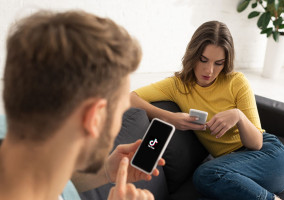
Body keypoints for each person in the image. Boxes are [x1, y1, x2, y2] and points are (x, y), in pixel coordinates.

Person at [0, 10, 165, 200]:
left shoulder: (11, 134)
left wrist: (104, 172)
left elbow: (49, 176)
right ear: (94, 118)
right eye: (121, 111)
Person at [130, 21, 284, 200]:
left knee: (205, 175)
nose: (209, 70)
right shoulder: (177, 85)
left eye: (219, 63)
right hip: (233, 172)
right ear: (193, 55)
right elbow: (130, 98)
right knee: (209, 181)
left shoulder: (236, 82)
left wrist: (238, 116)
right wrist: (171, 118)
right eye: (203, 60)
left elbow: (256, 144)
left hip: (269, 157)